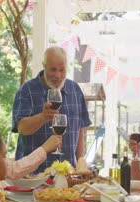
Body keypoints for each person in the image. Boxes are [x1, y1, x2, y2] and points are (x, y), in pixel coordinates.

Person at [12, 46, 91, 174]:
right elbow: (21, 128)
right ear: (44, 66)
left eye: (62, 70)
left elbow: (80, 127)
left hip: (67, 174)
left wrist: (80, 160)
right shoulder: (27, 90)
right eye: (53, 70)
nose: (58, 75)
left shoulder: (75, 89)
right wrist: (42, 117)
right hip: (33, 175)